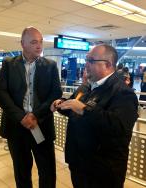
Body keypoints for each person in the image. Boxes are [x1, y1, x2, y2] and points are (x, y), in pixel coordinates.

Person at [51, 44, 138, 188]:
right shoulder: (86, 87)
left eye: (91, 60)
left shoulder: (122, 93)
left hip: (103, 170)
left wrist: (85, 109)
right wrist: (61, 104)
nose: (86, 64)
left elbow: (119, 127)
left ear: (108, 64)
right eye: (86, 60)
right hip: (79, 162)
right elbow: (74, 107)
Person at [0, 26, 62, 188]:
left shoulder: (50, 66)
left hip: (41, 126)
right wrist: (21, 117)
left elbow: (55, 93)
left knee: (47, 172)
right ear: (22, 44)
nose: (39, 46)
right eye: (33, 42)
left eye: (40, 42)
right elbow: (1, 93)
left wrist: (35, 116)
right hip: (17, 128)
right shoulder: (9, 64)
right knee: (21, 172)